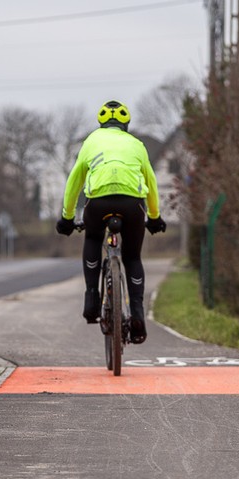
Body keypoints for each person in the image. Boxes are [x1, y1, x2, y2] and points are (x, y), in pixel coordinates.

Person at [55, 100, 166, 344]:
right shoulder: (137, 144)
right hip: (132, 204)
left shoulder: (91, 141)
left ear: (102, 123)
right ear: (126, 124)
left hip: (99, 203)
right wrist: (155, 217)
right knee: (133, 258)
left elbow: (74, 181)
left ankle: (92, 299)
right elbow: (152, 183)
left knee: (93, 238)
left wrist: (67, 217)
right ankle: (137, 314)